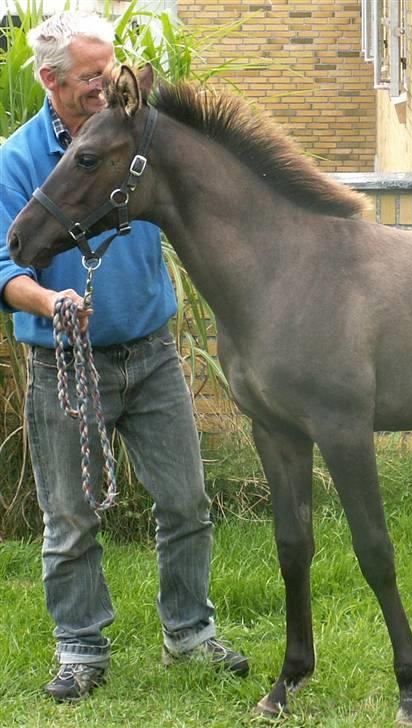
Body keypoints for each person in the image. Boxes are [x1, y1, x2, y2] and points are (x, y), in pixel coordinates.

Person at [0, 11, 248, 702]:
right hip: (66, 363)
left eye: (110, 71)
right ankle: (80, 650)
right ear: (50, 80)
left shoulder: (141, 136)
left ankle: (190, 634)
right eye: (89, 78)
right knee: (71, 520)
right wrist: (50, 304)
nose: (105, 86)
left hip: (152, 353)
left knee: (187, 501)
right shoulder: (18, 160)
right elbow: (1, 264)